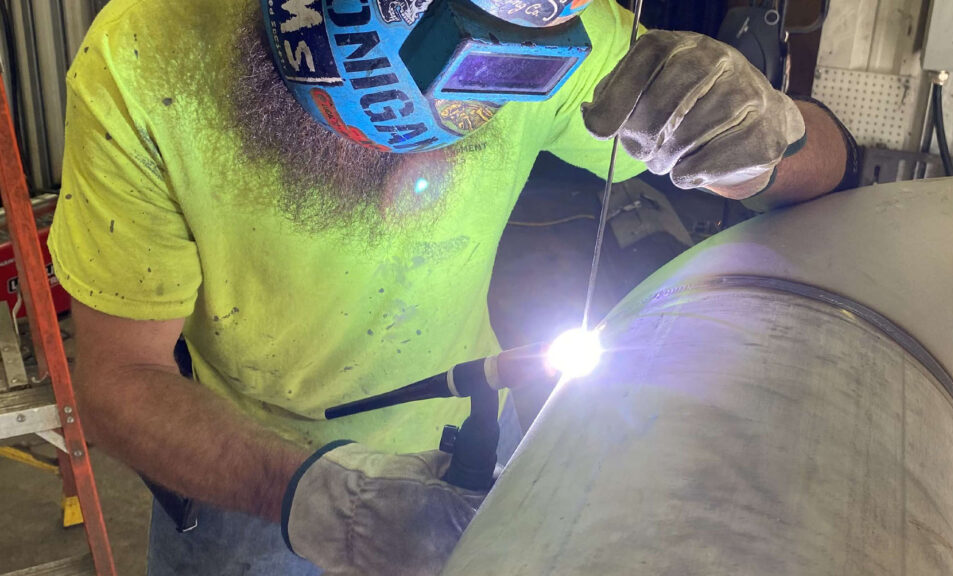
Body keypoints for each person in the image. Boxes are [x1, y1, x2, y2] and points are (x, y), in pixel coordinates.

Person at [48, 0, 857, 574]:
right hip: (245, 470)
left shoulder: (546, 30)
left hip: (468, 442)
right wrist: (314, 500)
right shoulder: (146, 57)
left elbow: (817, 169)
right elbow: (120, 378)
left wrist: (768, 131)